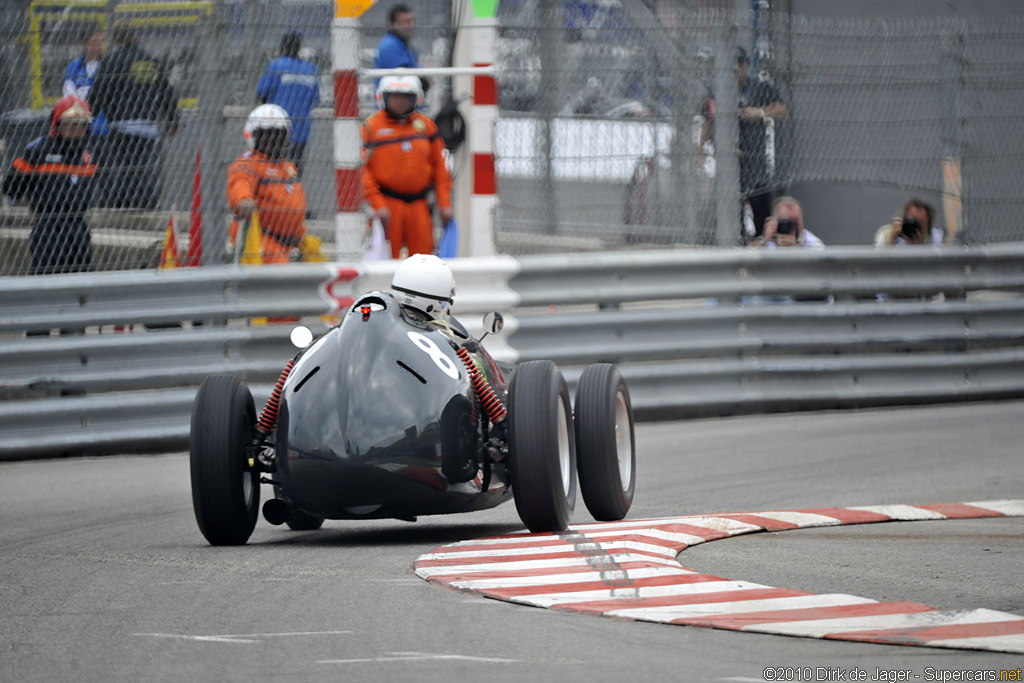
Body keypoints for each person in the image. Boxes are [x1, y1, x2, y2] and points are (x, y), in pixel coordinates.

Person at [2, 95, 98, 275]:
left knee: (82, 280)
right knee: (45, 276)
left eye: (81, 126)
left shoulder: (89, 154)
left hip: (78, 226)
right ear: (57, 125)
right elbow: (11, 187)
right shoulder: (38, 150)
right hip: (48, 226)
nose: (75, 131)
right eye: (70, 125)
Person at [361, 75, 453, 259]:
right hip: (387, 205)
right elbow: (363, 171)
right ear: (383, 97)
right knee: (386, 260)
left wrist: (444, 202)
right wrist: (378, 204)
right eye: (395, 96)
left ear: (416, 98)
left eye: (405, 96)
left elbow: (440, 167)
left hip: (419, 205)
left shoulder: (426, 126)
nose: (400, 101)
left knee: (424, 260)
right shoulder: (372, 127)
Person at [88, 24, 177, 209]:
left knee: (125, 165)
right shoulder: (149, 61)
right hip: (149, 124)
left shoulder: (111, 61)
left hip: (122, 123)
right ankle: (146, 202)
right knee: (143, 164)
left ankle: (125, 203)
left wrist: (88, 117)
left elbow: (99, 92)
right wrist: (173, 118)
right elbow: (166, 91)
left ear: (117, 40)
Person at [227, 105, 312, 264]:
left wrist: (301, 236)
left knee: (317, 259)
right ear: (254, 137)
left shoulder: (288, 167)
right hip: (261, 238)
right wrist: (244, 200)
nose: (274, 140)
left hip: (291, 241)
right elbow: (240, 184)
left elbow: (293, 204)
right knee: (281, 274)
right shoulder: (248, 164)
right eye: (268, 135)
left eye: (279, 135)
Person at [735, 47, 787, 242]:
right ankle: (736, 244)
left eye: (740, 65)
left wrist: (758, 113)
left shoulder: (758, 86)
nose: (736, 70)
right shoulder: (721, 88)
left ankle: (763, 243)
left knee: (760, 207)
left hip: (754, 158)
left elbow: (782, 108)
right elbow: (707, 115)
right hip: (731, 161)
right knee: (733, 209)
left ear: (745, 66)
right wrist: (700, 150)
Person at [256, 32, 320, 172]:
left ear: (282, 47)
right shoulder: (311, 70)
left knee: (272, 170)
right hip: (301, 129)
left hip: (276, 129)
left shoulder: (276, 66)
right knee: (294, 171)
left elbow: (262, 93)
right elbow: (315, 99)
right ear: (299, 48)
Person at [374, 4, 429, 97]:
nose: (410, 25)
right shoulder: (389, 46)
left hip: (407, 104)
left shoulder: (403, 45)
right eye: (405, 21)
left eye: (411, 21)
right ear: (394, 24)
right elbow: (406, 77)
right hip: (395, 105)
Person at [751, 195, 824, 249]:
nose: (792, 227)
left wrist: (794, 249)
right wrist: (764, 239)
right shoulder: (769, 240)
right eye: (786, 221)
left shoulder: (812, 243)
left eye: (796, 221)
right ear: (775, 222)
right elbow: (747, 259)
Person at [874, 197, 944, 247]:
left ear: (928, 224)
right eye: (912, 220)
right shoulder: (886, 235)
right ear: (904, 219)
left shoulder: (936, 238)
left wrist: (919, 249)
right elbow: (879, 264)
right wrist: (891, 241)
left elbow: (938, 265)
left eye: (920, 222)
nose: (915, 226)